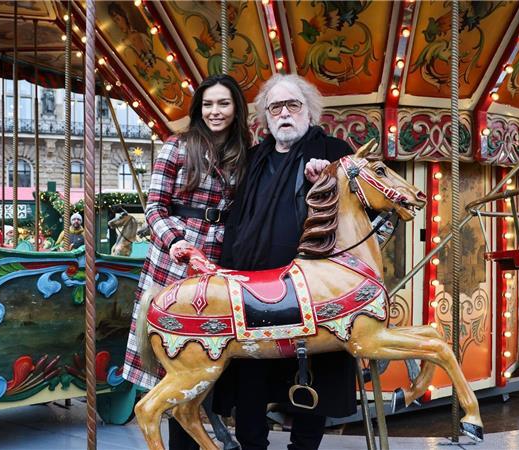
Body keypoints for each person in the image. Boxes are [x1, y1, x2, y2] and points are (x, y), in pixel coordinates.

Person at [213, 73, 357, 450]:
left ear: (310, 111)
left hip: (310, 288)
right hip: (254, 286)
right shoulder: (255, 159)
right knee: (251, 375)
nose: (285, 113)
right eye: (275, 107)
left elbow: (360, 210)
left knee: (312, 371)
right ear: (265, 117)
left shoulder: (332, 151)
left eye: (293, 105)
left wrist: (326, 180)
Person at [122, 74, 251, 450]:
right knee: (178, 355)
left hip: (221, 255)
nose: (215, 111)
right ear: (199, 109)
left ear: (235, 108)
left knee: (208, 353)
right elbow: (155, 206)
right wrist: (175, 242)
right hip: (177, 256)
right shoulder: (177, 147)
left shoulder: (244, 152)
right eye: (208, 104)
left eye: (223, 103)